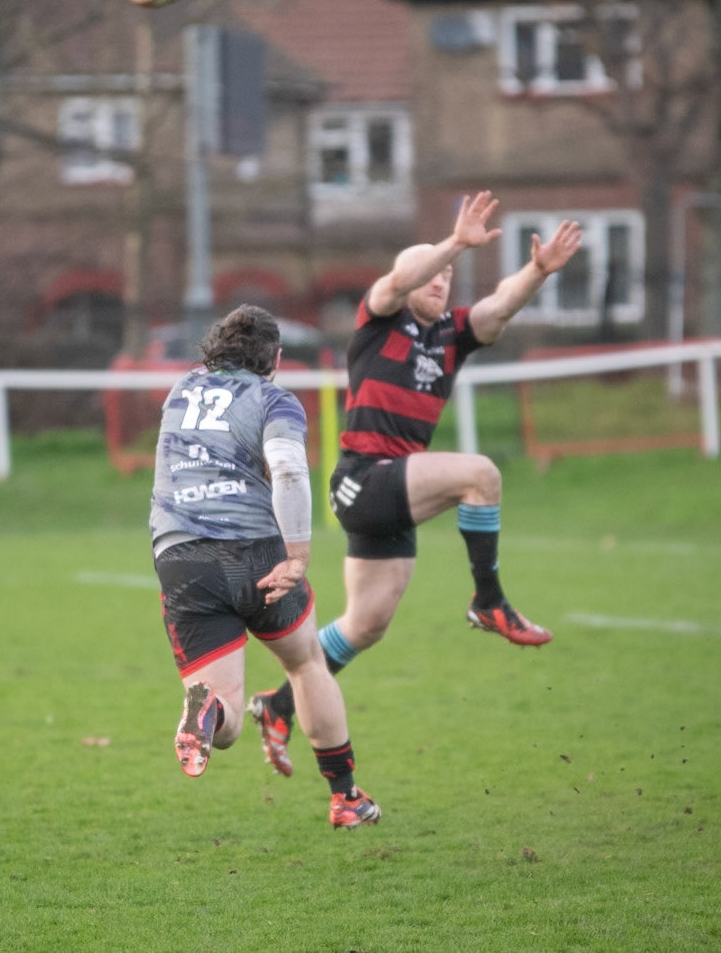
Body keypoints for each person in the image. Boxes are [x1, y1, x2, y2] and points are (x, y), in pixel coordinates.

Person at [248, 192, 583, 778]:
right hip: (363, 480)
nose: (441, 279)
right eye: (433, 270)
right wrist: (451, 243)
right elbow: (400, 277)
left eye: (449, 274)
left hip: (395, 495)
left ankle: (275, 707)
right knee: (481, 474)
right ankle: (488, 600)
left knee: (366, 624)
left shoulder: (453, 335)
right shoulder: (379, 318)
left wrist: (537, 270)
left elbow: (499, 309)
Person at [150, 303, 380, 830]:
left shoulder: (180, 389)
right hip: (256, 553)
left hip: (183, 558)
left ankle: (206, 712)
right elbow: (290, 473)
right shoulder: (274, 398)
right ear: (275, 358)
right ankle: (345, 797)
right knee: (305, 664)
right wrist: (297, 555)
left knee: (226, 724)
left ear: (214, 350)